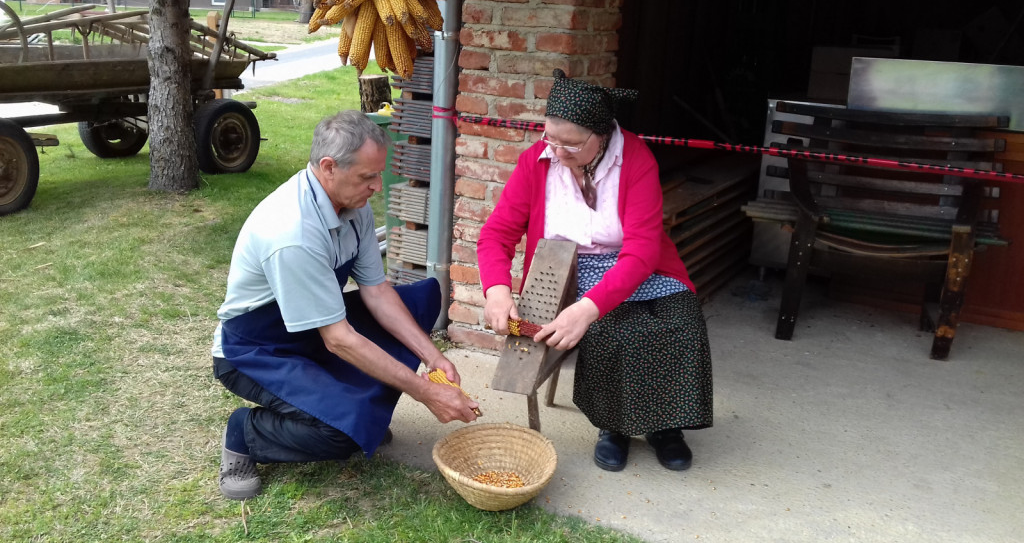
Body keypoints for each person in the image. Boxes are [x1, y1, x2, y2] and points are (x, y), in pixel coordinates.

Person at [211, 110, 479, 500]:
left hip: (312, 329)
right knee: (341, 433)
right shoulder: (292, 232)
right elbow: (339, 339)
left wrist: (432, 356)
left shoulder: (353, 206)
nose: (378, 188)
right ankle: (245, 433)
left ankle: (355, 409)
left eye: (378, 175)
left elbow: (376, 291)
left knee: (419, 299)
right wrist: (427, 392)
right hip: (255, 347)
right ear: (328, 167)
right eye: (367, 178)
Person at [478, 70, 713, 472]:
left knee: (682, 321)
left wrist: (588, 307)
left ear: (602, 136)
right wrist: (496, 288)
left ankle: (666, 427)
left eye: (570, 144)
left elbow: (642, 250)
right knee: (613, 329)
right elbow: (496, 234)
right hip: (569, 265)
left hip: (636, 261)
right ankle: (614, 426)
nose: (556, 150)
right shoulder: (537, 161)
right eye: (550, 138)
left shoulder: (635, 158)